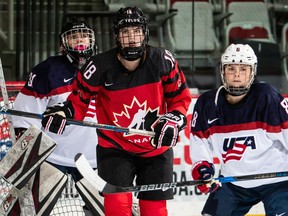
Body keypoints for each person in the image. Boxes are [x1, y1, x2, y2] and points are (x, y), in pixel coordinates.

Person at [40, 6, 192, 216]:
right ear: (116, 37)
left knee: (154, 211)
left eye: (136, 31)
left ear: (145, 33)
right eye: (125, 33)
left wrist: (175, 118)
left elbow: (180, 99)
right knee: (117, 208)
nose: (131, 38)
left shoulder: (161, 60)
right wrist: (64, 113)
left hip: (156, 149)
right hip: (115, 148)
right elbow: (79, 102)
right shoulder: (99, 66)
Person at [12, 18, 101, 215]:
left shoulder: (104, 68)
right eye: (74, 36)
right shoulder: (47, 70)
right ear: (64, 43)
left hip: (94, 159)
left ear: (92, 40)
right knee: (29, 211)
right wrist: (31, 158)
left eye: (84, 36)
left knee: (112, 211)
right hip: (53, 157)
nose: (80, 41)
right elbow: (24, 116)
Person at [190, 43, 288, 215]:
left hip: (277, 181)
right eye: (231, 69)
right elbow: (200, 142)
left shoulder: (267, 97)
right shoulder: (207, 104)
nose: (236, 75)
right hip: (233, 182)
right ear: (222, 71)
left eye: (243, 69)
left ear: (252, 72)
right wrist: (203, 169)